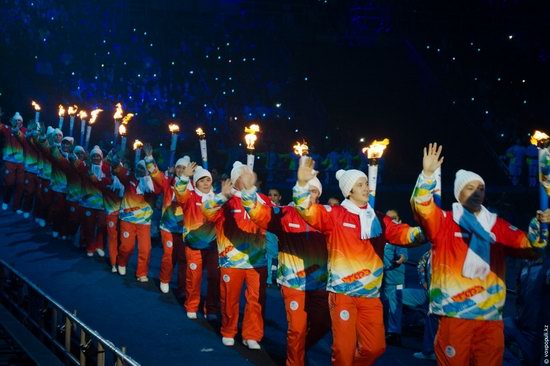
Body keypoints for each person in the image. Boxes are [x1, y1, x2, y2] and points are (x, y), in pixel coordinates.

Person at [411, 142, 549, 366]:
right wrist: (427, 175)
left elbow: (531, 247)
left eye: (481, 188)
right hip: (454, 316)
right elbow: (422, 208)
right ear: (458, 193)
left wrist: (540, 228)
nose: (477, 193)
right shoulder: (443, 222)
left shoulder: (497, 225)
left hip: (489, 318)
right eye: (470, 188)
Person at [293, 158, 426, 365]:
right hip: (343, 294)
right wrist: (301, 184)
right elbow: (306, 210)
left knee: (375, 348)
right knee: (343, 351)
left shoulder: (379, 219)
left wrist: (425, 231)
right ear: (349, 192)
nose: (366, 188)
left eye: (366, 183)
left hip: (370, 296)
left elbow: (404, 234)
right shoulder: (335, 215)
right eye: (360, 185)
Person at [241, 174, 330, 366]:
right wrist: (248, 193)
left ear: (318, 195)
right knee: (296, 329)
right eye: (306, 191)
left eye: (313, 191)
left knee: (323, 324)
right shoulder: (285, 213)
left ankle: (298, 348)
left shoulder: (327, 215)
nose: (309, 195)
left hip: (320, 283)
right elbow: (259, 214)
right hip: (293, 282)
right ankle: (294, 361)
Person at [201, 161, 272, 350]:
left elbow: (270, 220)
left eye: (249, 174)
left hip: (256, 260)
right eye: (242, 175)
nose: (247, 177)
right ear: (235, 180)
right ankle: (228, 330)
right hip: (231, 260)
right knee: (229, 299)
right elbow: (207, 211)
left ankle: (252, 334)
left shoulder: (263, 199)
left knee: (256, 300)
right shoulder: (227, 200)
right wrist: (222, 196)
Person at [172, 162, 220, 320]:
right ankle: (192, 305)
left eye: (208, 180)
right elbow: (179, 193)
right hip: (194, 246)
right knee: (194, 277)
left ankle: (211, 309)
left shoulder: (217, 198)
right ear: (196, 182)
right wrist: (185, 176)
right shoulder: (190, 197)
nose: (206, 183)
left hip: (213, 246)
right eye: (202, 180)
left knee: (214, 278)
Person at [113, 149, 162, 282]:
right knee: (127, 246)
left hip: (144, 222)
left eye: (144, 168)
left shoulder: (153, 185)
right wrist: (117, 158)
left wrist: (150, 160)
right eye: (139, 167)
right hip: (127, 219)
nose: (140, 170)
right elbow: (116, 168)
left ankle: (141, 273)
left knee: (145, 249)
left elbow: (160, 183)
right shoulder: (129, 177)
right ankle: (122, 262)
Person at [144, 146, 187, 295]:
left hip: (184, 229)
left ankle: (182, 288)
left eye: (183, 168)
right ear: (175, 169)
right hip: (167, 227)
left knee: (183, 259)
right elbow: (155, 174)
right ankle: (164, 279)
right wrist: (149, 158)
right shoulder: (167, 182)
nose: (180, 170)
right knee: (168, 255)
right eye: (178, 167)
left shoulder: (193, 187)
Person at [381, 209, 408, 346]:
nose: (391, 220)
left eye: (394, 218)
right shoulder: (383, 236)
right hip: (384, 281)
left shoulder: (399, 238)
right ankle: (387, 332)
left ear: (400, 220)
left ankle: (395, 334)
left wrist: (400, 259)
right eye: (388, 218)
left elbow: (403, 253)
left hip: (396, 280)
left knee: (395, 308)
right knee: (386, 307)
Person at [1, 112, 26, 212]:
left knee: (20, 184)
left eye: (19, 120)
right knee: (9, 183)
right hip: (9, 161)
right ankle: (6, 201)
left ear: (22, 123)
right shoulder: (7, 129)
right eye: (16, 120)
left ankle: (17, 206)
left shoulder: (25, 131)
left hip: (21, 162)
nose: (17, 122)